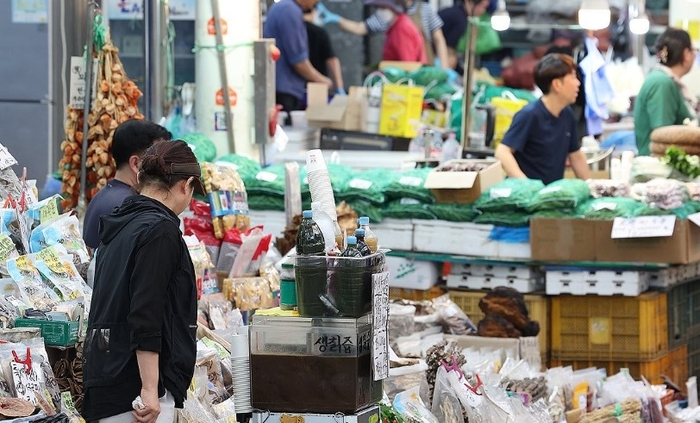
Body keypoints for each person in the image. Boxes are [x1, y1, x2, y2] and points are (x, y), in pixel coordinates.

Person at [82, 140, 205, 423]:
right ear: (185, 185)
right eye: (193, 190)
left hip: (110, 378)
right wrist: (150, 388)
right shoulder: (160, 231)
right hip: (136, 393)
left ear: (141, 176)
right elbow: (145, 312)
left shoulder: (122, 222)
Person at [495, 53, 591, 185]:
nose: (578, 83)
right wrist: (526, 184)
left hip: (550, 197)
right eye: (573, 77)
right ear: (557, 84)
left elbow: (575, 155)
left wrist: (589, 186)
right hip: (526, 199)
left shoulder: (567, 114)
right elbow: (502, 152)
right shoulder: (529, 114)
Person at [82, 119, 171, 249]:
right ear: (135, 164)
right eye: (158, 161)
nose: (165, 169)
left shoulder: (103, 195)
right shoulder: (129, 205)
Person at [317, 0, 449, 69]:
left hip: (423, 70)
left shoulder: (407, 22)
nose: (380, 10)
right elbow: (360, 28)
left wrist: (444, 67)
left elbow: (438, 39)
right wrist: (336, 19)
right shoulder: (391, 18)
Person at [264, 0, 333, 119]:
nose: (315, 4)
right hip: (284, 92)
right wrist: (322, 80)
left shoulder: (285, 8)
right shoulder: (289, 11)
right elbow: (298, 61)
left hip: (283, 88)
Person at [634, 27, 697, 156]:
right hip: (658, 168)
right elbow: (663, 135)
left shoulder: (666, 81)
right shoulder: (662, 83)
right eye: (694, 50)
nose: (695, 54)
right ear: (686, 54)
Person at [438, 0, 492, 69]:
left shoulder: (457, 13)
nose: (483, 11)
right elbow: (449, 49)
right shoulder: (460, 19)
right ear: (469, 2)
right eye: (483, 7)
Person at [304, 8, 345, 94]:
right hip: (318, 87)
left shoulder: (293, 31)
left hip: (297, 86)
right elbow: (332, 60)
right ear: (314, 11)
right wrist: (339, 87)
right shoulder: (319, 32)